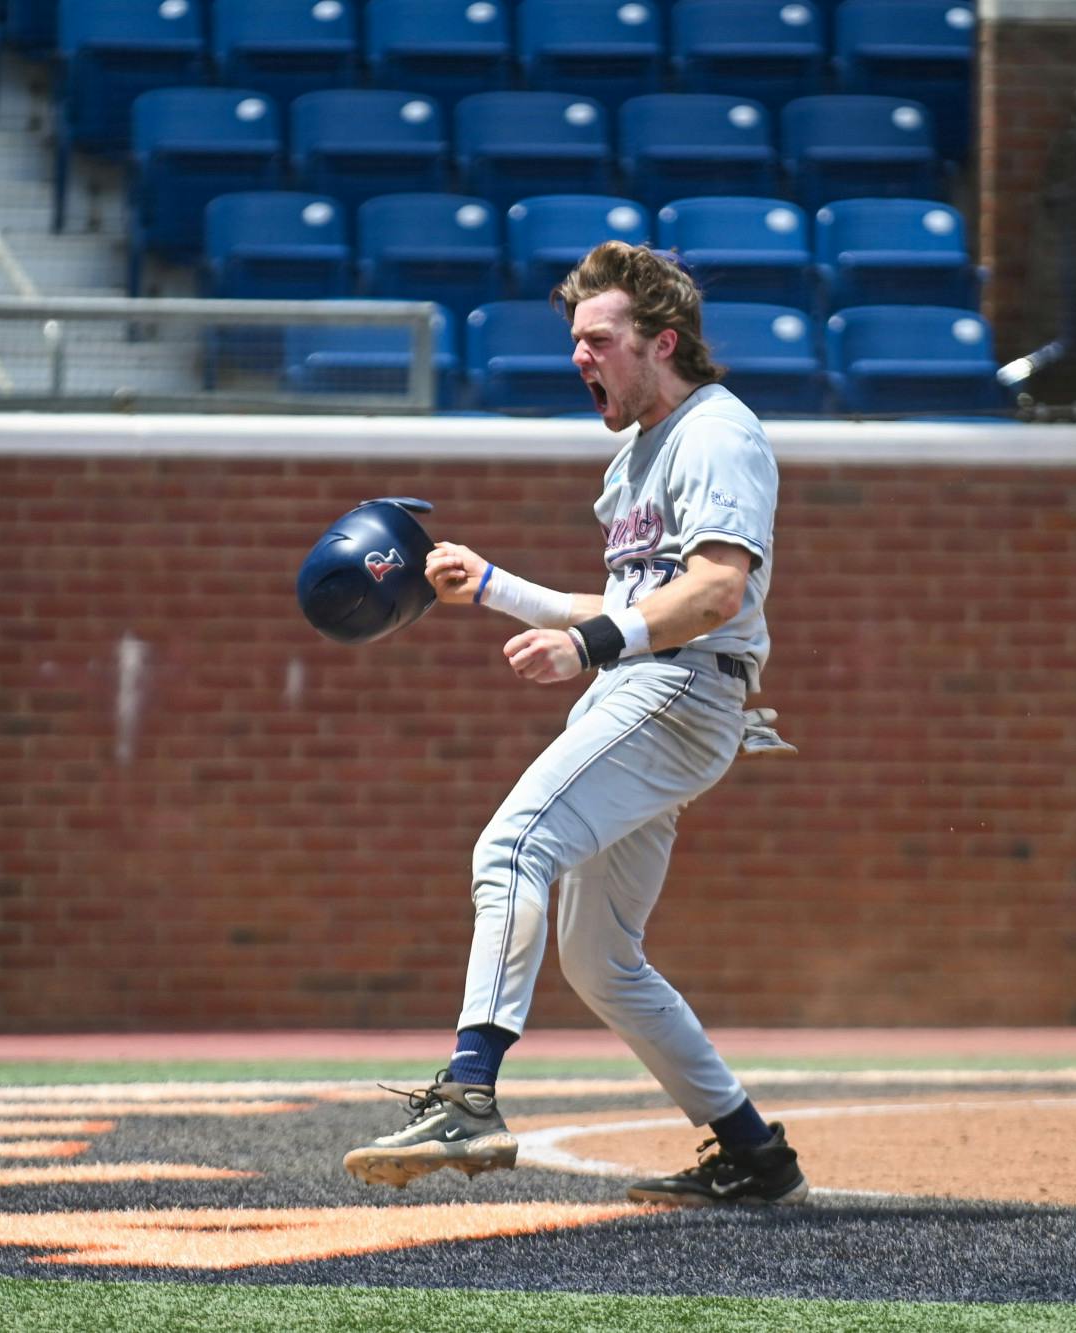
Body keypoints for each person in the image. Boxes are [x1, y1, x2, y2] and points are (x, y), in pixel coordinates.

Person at [342, 240, 806, 1207]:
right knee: (601, 960)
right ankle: (754, 1152)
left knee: (512, 847)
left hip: (681, 688)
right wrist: (494, 586)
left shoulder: (717, 432)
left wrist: (590, 646)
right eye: (576, 339)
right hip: (652, 684)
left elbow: (715, 592)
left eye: (599, 337)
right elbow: (636, 600)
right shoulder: (634, 455)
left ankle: (469, 1097)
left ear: (663, 341)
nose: (578, 355)